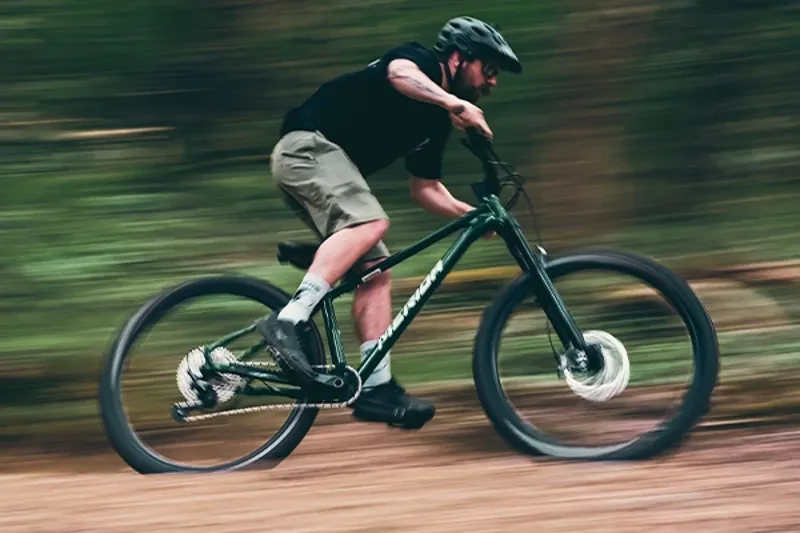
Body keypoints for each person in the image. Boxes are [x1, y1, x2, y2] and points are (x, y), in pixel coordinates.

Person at [256, 16, 522, 429]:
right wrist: (453, 102)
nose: (492, 82)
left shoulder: (434, 124)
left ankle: (375, 389)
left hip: (323, 167)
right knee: (372, 223)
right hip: (305, 149)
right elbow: (398, 73)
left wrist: (475, 215)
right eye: (488, 69)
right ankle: (288, 322)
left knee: (376, 275)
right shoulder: (422, 63)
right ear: (457, 58)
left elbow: (427, 190)